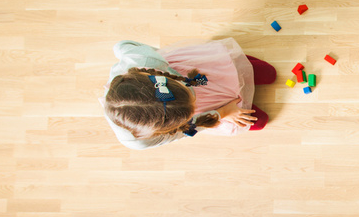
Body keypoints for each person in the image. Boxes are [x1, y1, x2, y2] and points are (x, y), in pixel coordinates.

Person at [103, 39, 276, 149]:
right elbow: (185, 131)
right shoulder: (138, 140)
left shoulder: (146, 61)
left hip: (194, 73)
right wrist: (223, 113)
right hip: (205, 111)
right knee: (260, 121)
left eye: (189, 95)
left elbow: (120, 46)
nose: (194, 98)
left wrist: (159, 53)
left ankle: (228, 69)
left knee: (269, 73)